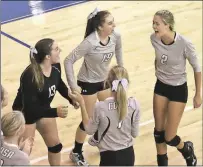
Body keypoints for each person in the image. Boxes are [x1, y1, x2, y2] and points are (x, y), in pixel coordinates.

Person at [64, 8, 123, 165]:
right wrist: (73, 85)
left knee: (109, 112)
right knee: (88, 121)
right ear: (99, 27)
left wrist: (120, 72)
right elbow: (68, 60)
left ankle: (98, 139)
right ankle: (76, 152)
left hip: (103, 81)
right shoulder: (89, 42)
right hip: (87, 83)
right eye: (110, 23)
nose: (114, 25)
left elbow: (118, 49)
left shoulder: (116, 37)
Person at [12, 38, 78, 166]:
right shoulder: (29, 75)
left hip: (43, 108)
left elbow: (58, 82)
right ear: (48, 56)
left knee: (55, 146)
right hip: (25, 114)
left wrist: (70, 98)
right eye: (56, 49)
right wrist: (55, 112)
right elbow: (30, 109)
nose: (60, 51)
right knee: (22, 153)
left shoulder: (55, 66)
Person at [150, 9, 202, 166]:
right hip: (161, 86)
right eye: (153, 23)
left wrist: (198, 94)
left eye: (157, 23)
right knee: (158, 133)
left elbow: (197, 68)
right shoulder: (154, 39)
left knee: (170, 137)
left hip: (178, 89)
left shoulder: (184, 43)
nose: (153, 26)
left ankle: (186, 149)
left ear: (168, 25)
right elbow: (159, 58)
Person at [71, 65, 140, 166]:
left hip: (109, 158)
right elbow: (135, 133)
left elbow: (89, 130)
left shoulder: (101, 107)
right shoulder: (134, 104)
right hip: (129, 156)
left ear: (107, 83)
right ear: (127, 83)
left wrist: (82, 103)